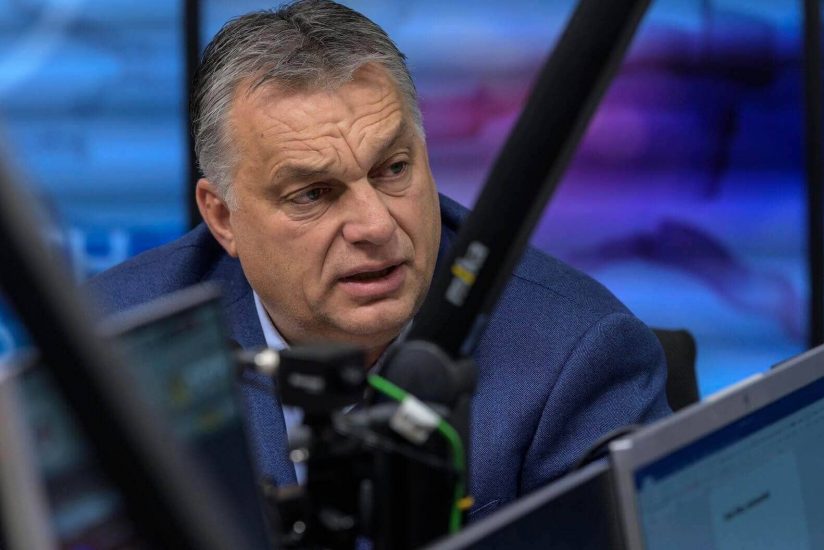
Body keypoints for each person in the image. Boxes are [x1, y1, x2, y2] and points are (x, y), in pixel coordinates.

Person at [88, 0, 669, 521]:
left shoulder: (574, 360)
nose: (376, 226)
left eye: (392, 169)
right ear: (222, 218)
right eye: (313, 194)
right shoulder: (114, 349)